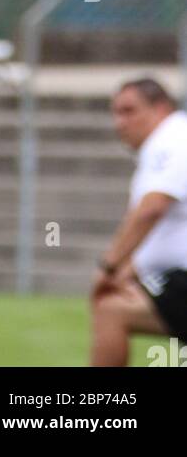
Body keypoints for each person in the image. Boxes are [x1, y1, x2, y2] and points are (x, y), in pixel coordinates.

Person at [89, 77, 187, 366]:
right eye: (116, 113)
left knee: (110, 309)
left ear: (161, 108)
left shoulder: (173, 139)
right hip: (175, 278)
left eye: (129, 110)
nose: (119, 122)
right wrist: (132, 269)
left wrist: (109, 267)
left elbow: (152, 209)